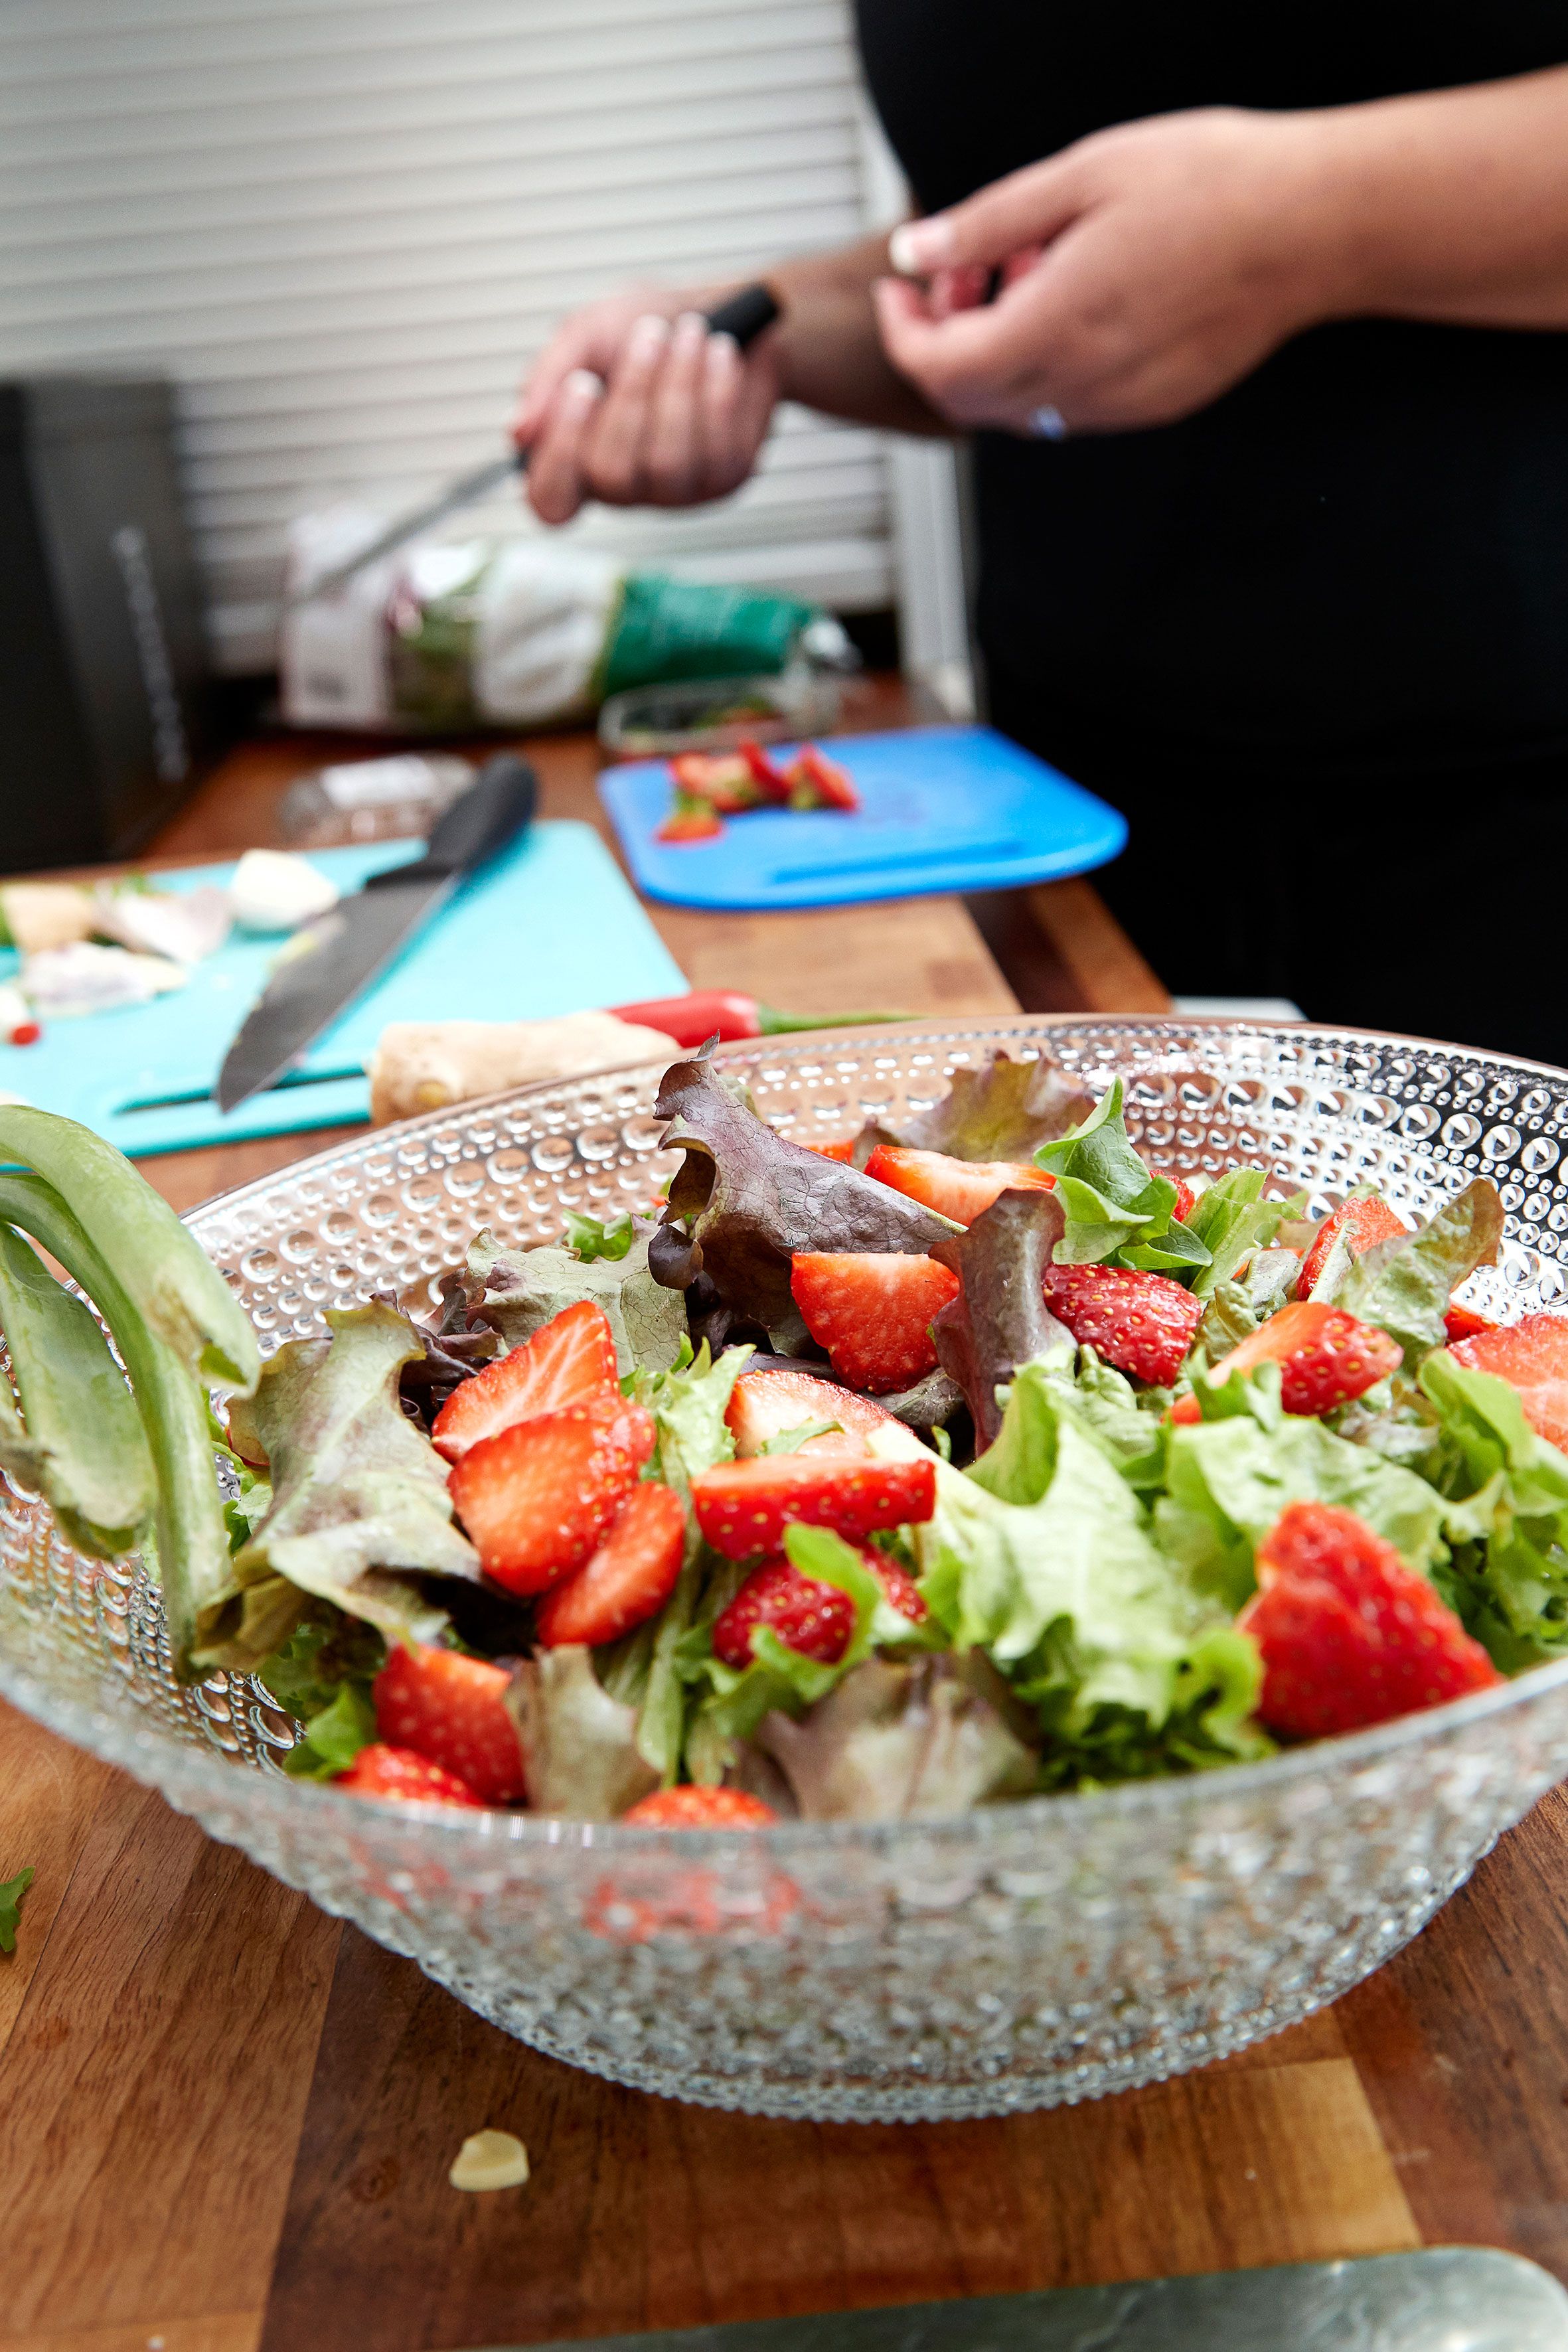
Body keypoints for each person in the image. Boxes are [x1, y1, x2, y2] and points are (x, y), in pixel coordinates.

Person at [515, 15, 1568, 1063]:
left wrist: (1297, 225)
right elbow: (990, 274)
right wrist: (743, 331)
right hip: (1069, 811)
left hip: (1514, 812)